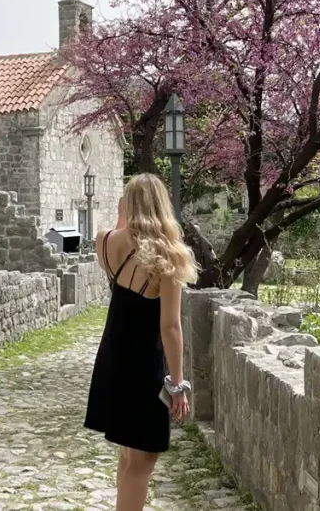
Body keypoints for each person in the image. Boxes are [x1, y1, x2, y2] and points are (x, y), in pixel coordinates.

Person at [83, 173, 197, 511]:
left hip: (112, 361)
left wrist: (122, 213)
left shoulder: (105, 242)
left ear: (128, 205)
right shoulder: (168, 256)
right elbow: (170, 327)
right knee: (144, 458)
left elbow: (118, 231)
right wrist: (177, 383)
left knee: (128, 454)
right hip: (145, 367)